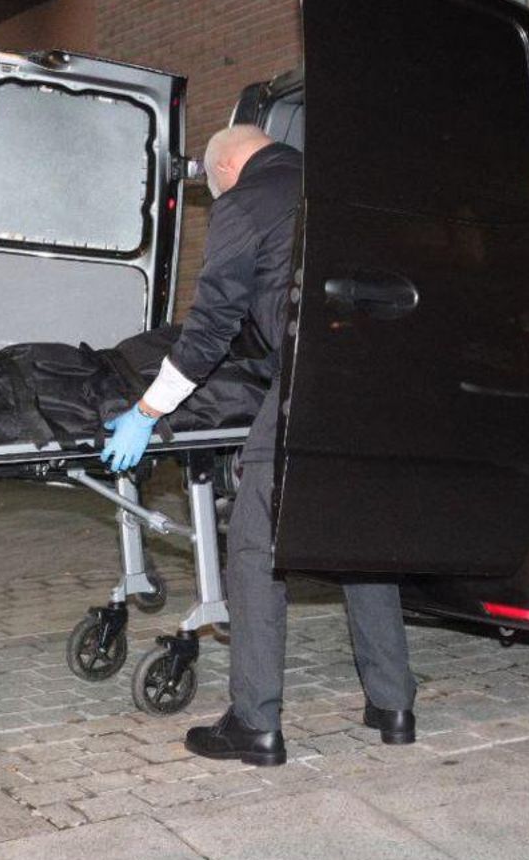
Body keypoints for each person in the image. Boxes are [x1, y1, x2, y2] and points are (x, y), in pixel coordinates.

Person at [101, 125, 419, 767]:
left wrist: (147, 410)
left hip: (309, 384)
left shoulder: (247, 201)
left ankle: (255, 723)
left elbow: (212, 324)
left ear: (225, 168)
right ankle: (394, 706)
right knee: (362, 543)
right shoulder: (345, 186)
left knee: (254, 549)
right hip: (381, 383)